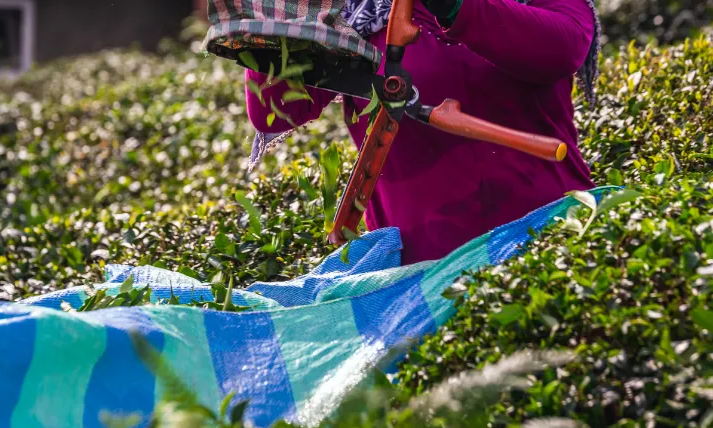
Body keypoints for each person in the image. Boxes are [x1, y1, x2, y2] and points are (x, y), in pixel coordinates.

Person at [244, 0, 601, 265]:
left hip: (557, 242)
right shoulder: (342, 14)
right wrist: (275, 15)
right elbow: (274, 113)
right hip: (423, 281)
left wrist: (455, 7)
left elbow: (562, 46)